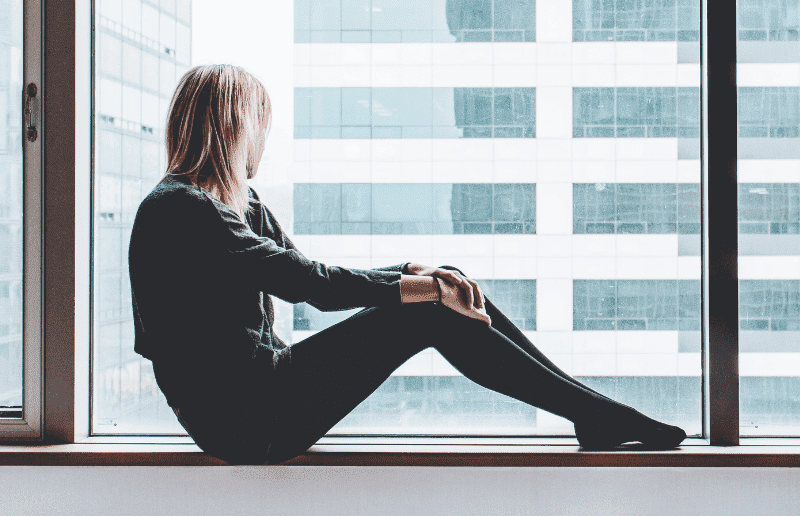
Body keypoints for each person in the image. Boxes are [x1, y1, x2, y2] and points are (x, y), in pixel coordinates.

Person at [128, 64, 686, 466]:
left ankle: (587, 409)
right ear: (234, 129)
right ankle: (589, 411)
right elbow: (310, 286)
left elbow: (305, 269)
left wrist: (419, 271)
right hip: (246, 420)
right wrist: (420, 289)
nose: (265, 145)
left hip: (264, 396)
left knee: (445, 284)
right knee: (431, 307)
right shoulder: (180, 210)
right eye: (262, 129)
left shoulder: (240, 205)